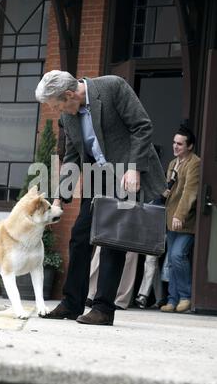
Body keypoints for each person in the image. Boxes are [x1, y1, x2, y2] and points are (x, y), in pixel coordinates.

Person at [35, 70, 166, 325]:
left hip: (124, 173)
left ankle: (103, 309)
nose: (56, 111)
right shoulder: (68, 116)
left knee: (112, 242)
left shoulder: (113, 87)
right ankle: (72, 303)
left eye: (56, 104)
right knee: (80, 237)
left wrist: (134, 168)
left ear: (70, 94)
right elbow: (72, 156)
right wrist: (60, 198)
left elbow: (142, 126)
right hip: (97, 176)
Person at [160, 125, 200, 313]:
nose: (175, 147)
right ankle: (172, 299)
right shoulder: (172, 164)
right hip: (170, 218)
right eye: (174, 143)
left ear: (189, 146)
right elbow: (173, 190)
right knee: (171, 260)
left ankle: (185, 296)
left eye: (180, 144)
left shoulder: (195, 163)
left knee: (177, 255)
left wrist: (179, 215)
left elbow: (190, 192)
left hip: (184, 220)